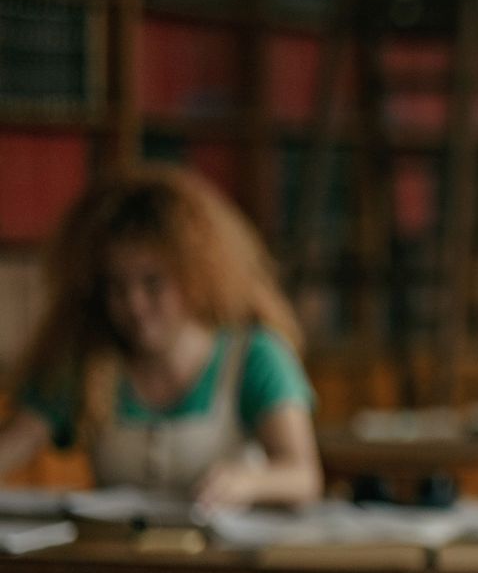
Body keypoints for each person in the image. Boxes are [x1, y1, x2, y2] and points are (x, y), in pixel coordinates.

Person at [0, 165, 320, 508]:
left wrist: (249, 482)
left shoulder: (254, 355)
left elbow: (303, 476)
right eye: (117, 287)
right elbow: (13, 446)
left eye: (153, 283)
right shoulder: (89, 360)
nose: (134, 305)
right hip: (122, 559)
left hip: (225, 558)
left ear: (196, 275)